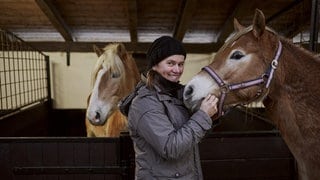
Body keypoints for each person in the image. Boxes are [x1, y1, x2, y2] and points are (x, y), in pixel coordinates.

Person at [119, 36, 219, 180]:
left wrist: (213, 113)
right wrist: (203, 115)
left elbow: (191, 135)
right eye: (170, 63)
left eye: (181, 64)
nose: (177, 70)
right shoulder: (144, 103)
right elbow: (170, 148)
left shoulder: (176, 95)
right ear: (155, 65)